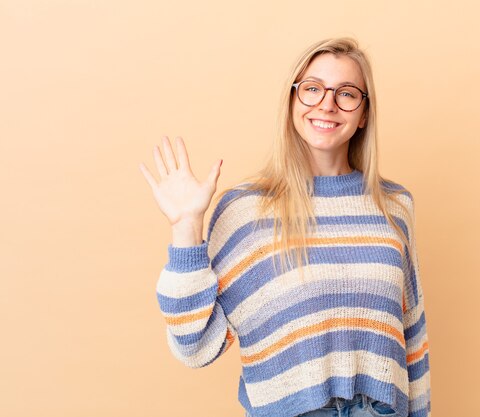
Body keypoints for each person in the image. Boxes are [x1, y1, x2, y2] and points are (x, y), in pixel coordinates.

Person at [139, 37, 431, 417]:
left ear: (363, 114)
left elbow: (413, 336)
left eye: (346, 94)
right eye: (312, 89)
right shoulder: (246, 211)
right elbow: (193, 346)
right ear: (293, 101)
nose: (326, 104)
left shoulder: (394, 206)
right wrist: (186, 227)